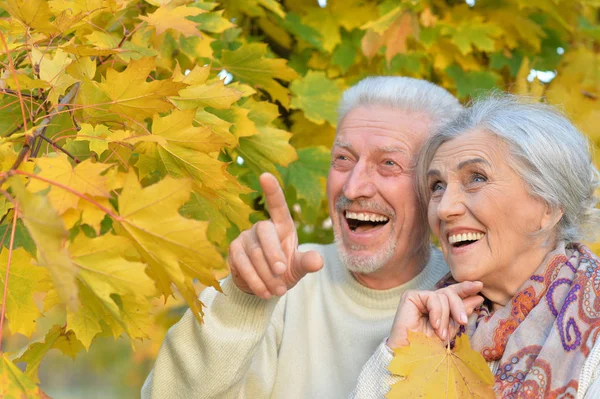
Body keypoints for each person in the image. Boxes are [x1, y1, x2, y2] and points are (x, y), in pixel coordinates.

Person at [141, 76, 463, 398]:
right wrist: (241, 300)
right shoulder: (282, 279)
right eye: (343, 159)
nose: (353, 188)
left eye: (389, 164)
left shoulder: (469, 304)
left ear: (436, 186)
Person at [352, 94, 600, 398]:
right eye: (437, 187)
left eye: (477, 178)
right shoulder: (429, 321)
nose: (444, 209)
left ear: (547, 206)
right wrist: (396, 356)